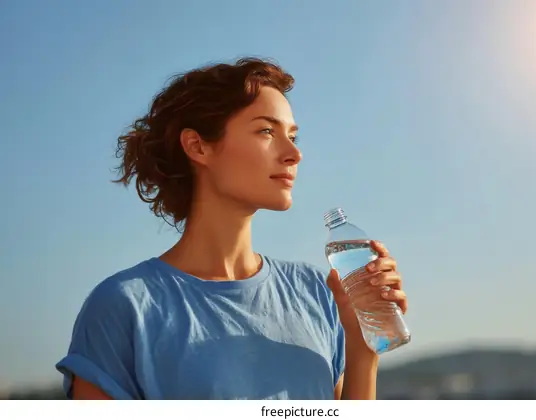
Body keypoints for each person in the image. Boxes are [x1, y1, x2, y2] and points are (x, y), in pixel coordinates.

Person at [55, 57, 408, 400]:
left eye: (293, 136)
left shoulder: (316, 293)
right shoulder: (124, 307)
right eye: (267, 130)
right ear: (198, 146)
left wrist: (362, 348)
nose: (293, 154)